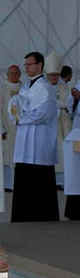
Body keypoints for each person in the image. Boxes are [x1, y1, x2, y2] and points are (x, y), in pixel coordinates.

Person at [10, 52, 60, 221]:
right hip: (25, 136)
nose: (26, 68)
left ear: (39, 65)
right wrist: (17, 114)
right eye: (25, 65)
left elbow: (44, 113)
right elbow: (16, 105)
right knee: (25, 173)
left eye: (29, 65)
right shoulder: (26, 87)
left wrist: (22, 117)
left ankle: (42, 215)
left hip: (40, 138)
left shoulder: (46, 88)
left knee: (39, 174)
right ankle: (23, 215)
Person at [45, 53, 71, 188]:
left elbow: (66, 102)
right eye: (51, 76)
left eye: (56, 75)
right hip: (46, 125)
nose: (54, 78)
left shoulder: (63, 86)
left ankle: (60, 181)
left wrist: (53, 103)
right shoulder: (42, 85)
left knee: (60, 151)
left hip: (60, 125)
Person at [0, 65, 23, 191]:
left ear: (20, 74)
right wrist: (2, 129)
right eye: (11, 73)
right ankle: (8, 184)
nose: (14, 75)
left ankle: (19, 183)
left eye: (16, 73)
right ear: (7, 75)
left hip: (21, 129)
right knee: (7, 157)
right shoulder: (2, 89)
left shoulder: (24, 88)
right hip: (7, 128)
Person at [63, 79, 80, 219]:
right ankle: (74, 210)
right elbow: (70, 104)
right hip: (77, 131)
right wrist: (74, 98)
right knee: (76, 171)